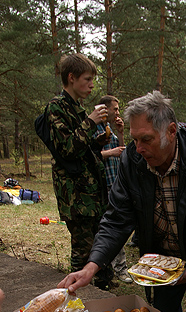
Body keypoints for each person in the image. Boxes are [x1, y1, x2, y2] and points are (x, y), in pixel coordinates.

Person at [58, 90, 186, 312]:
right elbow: (117, 217)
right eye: (135, 139)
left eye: (147, 140)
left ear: (171, 131)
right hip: (159, 264)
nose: (139, 148)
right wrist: (92, 266)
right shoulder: (132, 160)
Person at [45, 53, 112, 290]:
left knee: (101, 244)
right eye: (87, 79)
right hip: (76, 197)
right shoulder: (56, 107)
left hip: (93, 192)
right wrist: (91, 122)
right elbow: (66, 149)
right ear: (71, 78)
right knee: (83, 251)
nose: (92, 85)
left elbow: (84, 150)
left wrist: (100, 141)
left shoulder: (78, 108)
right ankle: (77, 295)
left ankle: (103, 292)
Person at [95, 94, 132, 283]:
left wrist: (121, 133)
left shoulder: (110, 129)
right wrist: (110, 153)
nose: (117, 112)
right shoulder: (94, 128)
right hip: (103, 186)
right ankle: (113, 270)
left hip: (116, 182)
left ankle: (116, 269)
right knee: (111, 226)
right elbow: (90, 155)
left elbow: (122, 152)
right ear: (105, 109)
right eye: (115, 109)